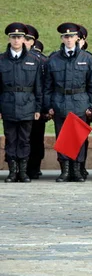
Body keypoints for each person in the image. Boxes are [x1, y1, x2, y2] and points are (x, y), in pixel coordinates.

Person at [43, 23, 92, 182]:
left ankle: (77, 170)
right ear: (62, 38)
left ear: (77, 38)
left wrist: (91, 105)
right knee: (63, 137)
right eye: (66, 37)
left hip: (80, 101)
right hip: (60, 101)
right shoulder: (53, 59)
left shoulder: (86, 58)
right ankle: (65, 170)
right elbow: (48, 86)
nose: (69, 39)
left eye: (72, 36)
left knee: (78, 137)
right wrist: (49, 106)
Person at [0, 23, 43, 183]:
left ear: (25, 39)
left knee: (25, 139)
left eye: (19, 37)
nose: (16, 40)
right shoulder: (2, 60)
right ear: (9, 39)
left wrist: (38, 107)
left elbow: (38, 87)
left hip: (27, 105)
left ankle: (23, 172)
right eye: (13, 37)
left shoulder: (33, 60)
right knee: (11, 139)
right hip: (8, 104)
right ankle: (12, 171)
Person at [23, 24, 48, 179]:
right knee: (20, 138)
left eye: (28, 39)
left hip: (37, 106)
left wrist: (44, 108)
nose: (24, 41)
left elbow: (46, 86)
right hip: (18, 105)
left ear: (33, 41)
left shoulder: (41, 60)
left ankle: (34, 167)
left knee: (36, 138)